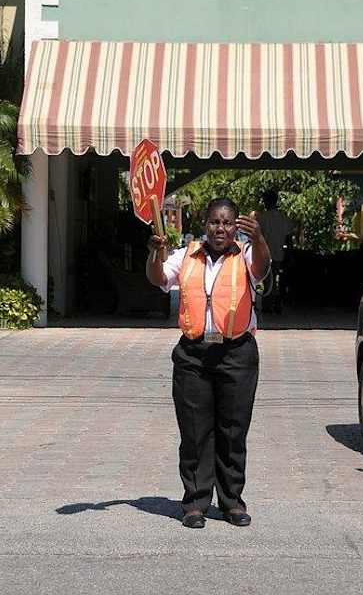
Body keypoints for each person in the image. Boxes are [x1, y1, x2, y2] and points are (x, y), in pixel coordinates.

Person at [146, 197, 272, 529]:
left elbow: (262, 268)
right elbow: (158, 278)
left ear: (235, 227)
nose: (221, 228)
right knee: (195, 431)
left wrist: (259, 239)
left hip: (237, 354)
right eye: (215, 222)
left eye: (228, 222)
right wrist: (153, 252)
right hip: (193, 355)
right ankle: (195, 503)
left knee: (232, 431)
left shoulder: (245, 255)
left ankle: (232, 502)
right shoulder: (186, 255)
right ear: (205, 225)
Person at [255, 190, 296, 314]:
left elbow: (257, 238)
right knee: (277, 281)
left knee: (268, 281)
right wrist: (290, 252)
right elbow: (289, 237)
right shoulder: (283, 218)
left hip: (265, 255)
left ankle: (269, 305)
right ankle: (276, 303)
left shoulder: (262, 219)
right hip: (279, 254)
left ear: (266, 202)